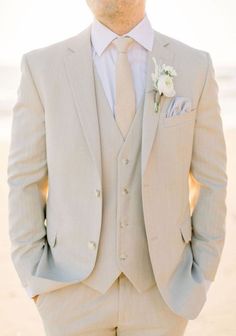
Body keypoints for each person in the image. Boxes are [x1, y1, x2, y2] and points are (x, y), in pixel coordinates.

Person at [7, 0, 227, 335]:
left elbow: (211, 182)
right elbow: (24, 180)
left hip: (162, 297)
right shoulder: (42, 68)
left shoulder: (194, 66)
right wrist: (34, 279)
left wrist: (201, 276)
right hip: (69, 295)